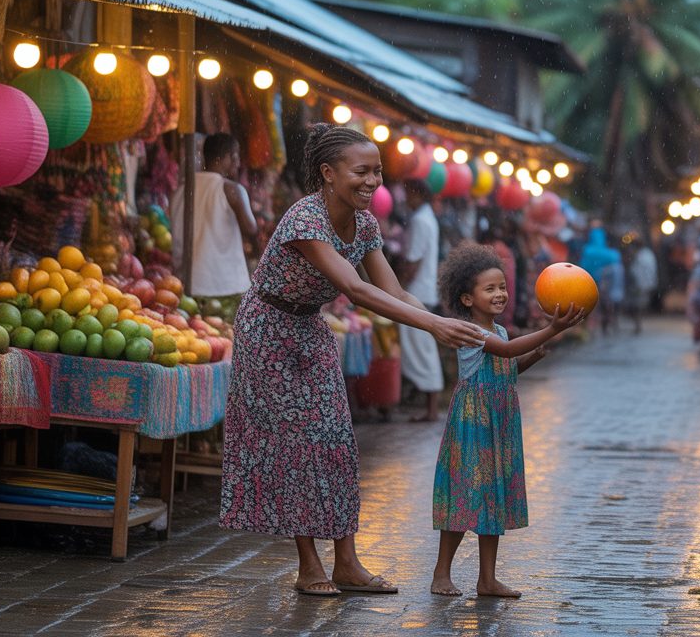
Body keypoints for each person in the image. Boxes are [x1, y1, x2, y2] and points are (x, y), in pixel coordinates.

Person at [218, 124, 486, 597]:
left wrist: (453, 323)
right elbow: (356, 289)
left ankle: (347, 562)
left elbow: (393, 290)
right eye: (361, 172)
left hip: (311, 329)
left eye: (377, 172)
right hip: (268, 330)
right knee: (296, 446)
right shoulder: (305, 220)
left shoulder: (365, 224)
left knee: (337, 439)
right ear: (328, 173)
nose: (372, 182)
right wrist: (432, 328)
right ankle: (308, 566)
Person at [428, 243, 585, 598]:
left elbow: (508, 367)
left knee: (492, 497)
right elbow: (506, 351)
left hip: (499, 421)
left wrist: (535, 356)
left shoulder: (498, 330)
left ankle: (487, 579)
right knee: (464, 495)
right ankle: (441, 573)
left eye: (502, 287)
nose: (500, 294)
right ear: (467, 299)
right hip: (473, 422)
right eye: (490, 289)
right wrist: (550, 329)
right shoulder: (468, 330)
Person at [170, 133, 256, 312]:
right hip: (225, 285)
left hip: (187, 285)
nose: (238, 163)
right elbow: (251, 228)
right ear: (221, 158)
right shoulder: (232, 190)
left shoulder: (181, 191)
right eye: (234, 156)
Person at [395, 179, 445, 423]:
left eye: (407, 193)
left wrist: (396, 289)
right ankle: (430, 405)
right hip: (423, 291)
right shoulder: (427, 218)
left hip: (416, 292)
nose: (405, 198)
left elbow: (413, 261)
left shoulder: (419, 220)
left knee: (421, 349)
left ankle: (431, 407)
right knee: (424, 347)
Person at [625, 235, 658, 334]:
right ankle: (637, 324)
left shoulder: (642, 255)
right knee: (637, 305)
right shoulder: (647, 254)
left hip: (640, 284)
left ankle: (638, 324)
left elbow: (640, 270)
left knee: (637, 305)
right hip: (642, 283)